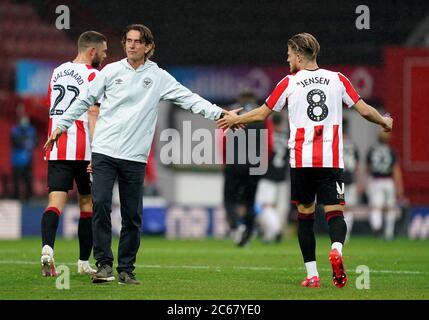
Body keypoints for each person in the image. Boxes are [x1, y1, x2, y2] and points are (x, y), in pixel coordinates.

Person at [44, 24, 241, 285]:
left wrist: (221, 114)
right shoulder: (111, 71)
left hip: (134, 156)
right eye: (128, 40)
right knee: (100, 205)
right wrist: (61, 126)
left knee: (132, 215)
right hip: (104, 151)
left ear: (148, 46)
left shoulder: (158, 77)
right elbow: (83, 101)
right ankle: (104, 265)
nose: (132, 45)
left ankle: (126, 268)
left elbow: (189, 98)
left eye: (137, 41)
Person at [217, 32, 393, 288]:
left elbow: (262, 114)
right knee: (335, 214)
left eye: (289, 54)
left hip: (301, 161)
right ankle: (336, 250)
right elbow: (364, 110)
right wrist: (385, 121)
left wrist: (235, 119)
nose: (287, 58)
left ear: (299, 55)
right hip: (330, 160)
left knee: (305, 217)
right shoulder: (338, 79)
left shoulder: (289, 82)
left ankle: (312, 275)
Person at [40, 31, 107, 277]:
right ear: (92, 51)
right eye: (103, 51)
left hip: (57, 146)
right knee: (87, 203)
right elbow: (92, 114)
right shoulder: (93, 75)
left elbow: (52, 106)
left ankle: (47, 249)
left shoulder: (57, 71)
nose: (105, 55)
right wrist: (98, 150)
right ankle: (82, 262)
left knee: (55, 202)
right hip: (84, 149)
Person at [221, 90, 268, 247]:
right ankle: (247, 233)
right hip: (254, 165)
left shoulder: (232, 112)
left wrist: (224, 161)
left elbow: (222, 136)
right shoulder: (261, 112)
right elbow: (269, 142)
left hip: (234, 163)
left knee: (229, 199)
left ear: (240, 98)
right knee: (250, 201)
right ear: (254, 98)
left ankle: (236, 226)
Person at [255, 112, 290, 243]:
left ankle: (276, 230)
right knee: (279, 208)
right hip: (282, 176)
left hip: (267, 174)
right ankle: (269, 235)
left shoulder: (267, 135)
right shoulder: (287, 137)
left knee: (265, 206)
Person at [366, 129, 404, 240]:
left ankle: (376, 228)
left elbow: (368, 168)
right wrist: (399, 185)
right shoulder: (391, 151)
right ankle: (388, 233)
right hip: (389, 181)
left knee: (376, 207)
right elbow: (396, 170)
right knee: (390, 207)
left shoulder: (372, 150)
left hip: (376, 180)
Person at [10, 110, 37, 201]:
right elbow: (15, 141)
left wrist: (29, 142)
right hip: (17, 160)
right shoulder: (15, 129)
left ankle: (29, 197)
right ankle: (16, 197)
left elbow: (36, 142)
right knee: (17, 180)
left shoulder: (32, 130)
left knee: (28, 179)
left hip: (28, 159)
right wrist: (27, 141)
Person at [341, 117, 361, 242]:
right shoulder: (352, 145)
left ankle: (341, 234)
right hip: (351, 179)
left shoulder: (335, 142)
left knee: (338, 208)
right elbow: (358, 166)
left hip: (338, 179)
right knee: (349, 208)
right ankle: (346, 235)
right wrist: (359, 181)